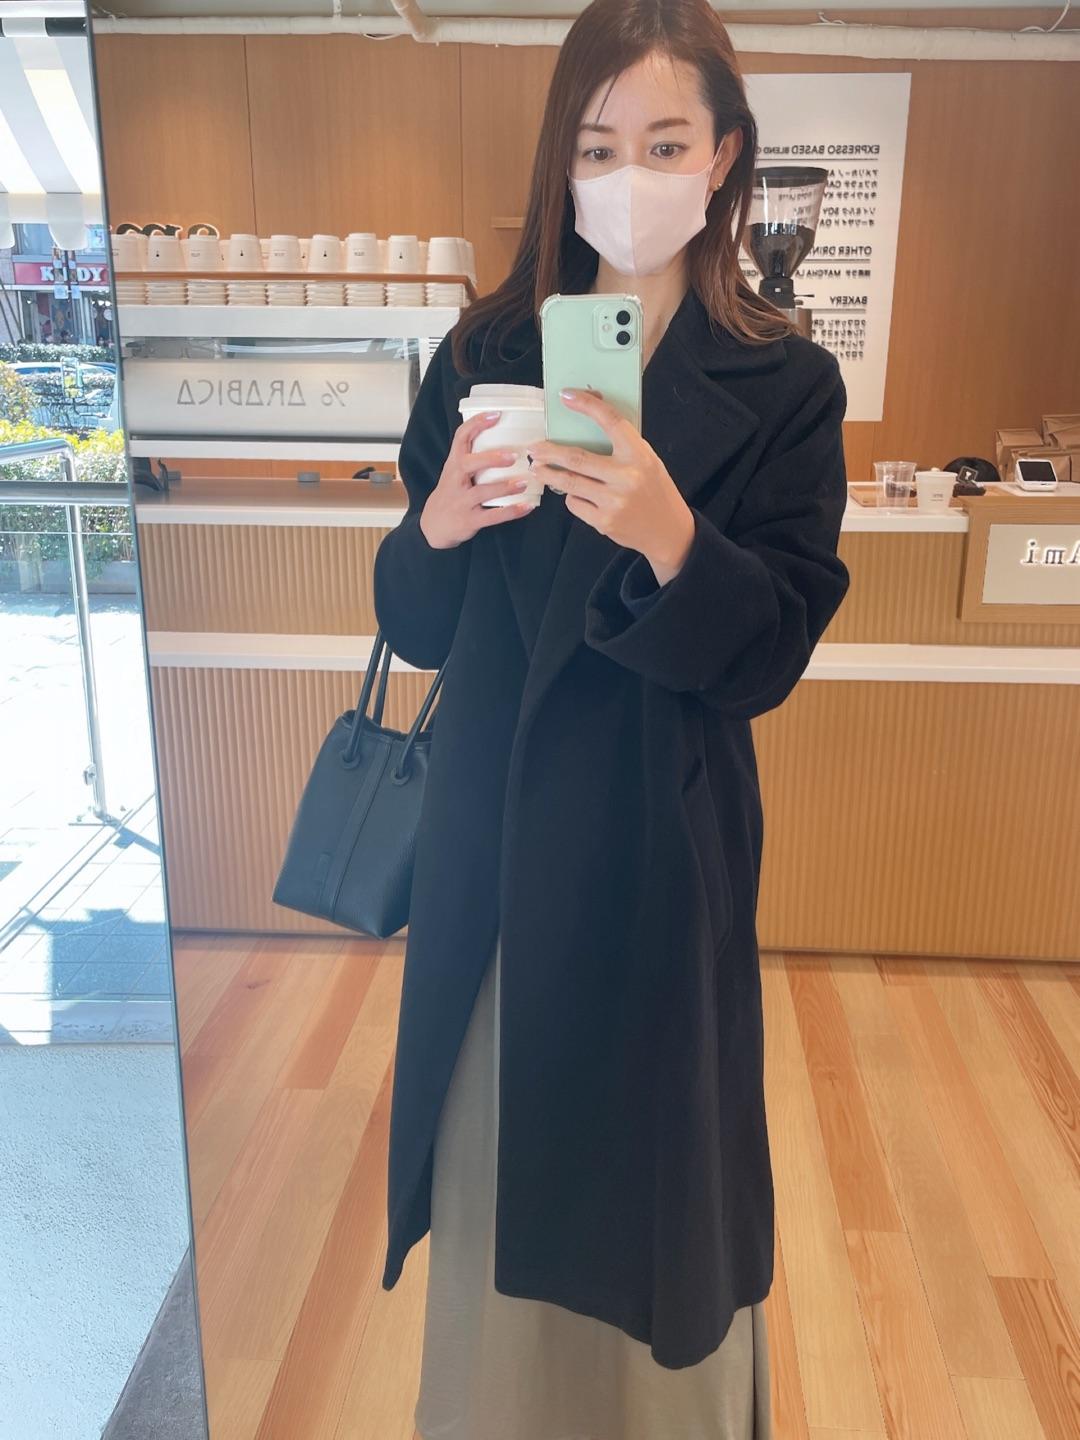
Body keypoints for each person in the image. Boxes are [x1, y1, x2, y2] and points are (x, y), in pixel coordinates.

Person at [373, 2, 851, 1436]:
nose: (627, 176)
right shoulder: (485, 348)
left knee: (659, 1187)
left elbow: (772, 650)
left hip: (657, 847)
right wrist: (439, 524)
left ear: (724, 159)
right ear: (559, 162)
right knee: (496, 1160)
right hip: (495, 855)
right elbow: (416, 624)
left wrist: (671, 538)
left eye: (663, 142)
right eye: (596, 147)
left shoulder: (785, 380)